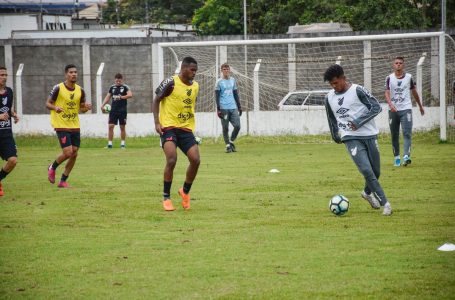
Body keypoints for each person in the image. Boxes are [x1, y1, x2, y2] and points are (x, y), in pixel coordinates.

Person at [324, 64, 392, 216]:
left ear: (343, 78)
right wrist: (336, 135)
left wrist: (358, 121)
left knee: (376, 171)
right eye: (331, 84)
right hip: (350, 137)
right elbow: (331, 118)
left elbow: (376, 107)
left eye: (336, 82)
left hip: (369, 134)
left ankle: (367, 193)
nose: (334, 86)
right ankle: (385, 203)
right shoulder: (328, 97)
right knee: (367, 170)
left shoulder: (358, 90)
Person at [152, 56, 200, 211]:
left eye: (195, 70)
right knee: (172, 159)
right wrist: (157, 122)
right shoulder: (170, 82)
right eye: (192, 70)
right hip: (168, 127)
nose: (194, 73)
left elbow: (192, 104)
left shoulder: (195, 86)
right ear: (183, 68)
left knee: (196, 160)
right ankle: (166, 197)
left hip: (186, 129)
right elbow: (156, 100)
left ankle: (185, 192)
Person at [46, 64, 92, 188]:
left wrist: (86, 108)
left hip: (74, 124)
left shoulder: (80, 90)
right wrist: (55, 107)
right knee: (68, 152)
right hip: (61, 124)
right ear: (66, 74)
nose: (74, 74)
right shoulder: (58, 88)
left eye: (75, 72)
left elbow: (81, 108)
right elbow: (48, 103)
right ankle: (52, 167)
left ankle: (63, 180)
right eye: (71, 72)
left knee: (74, 153)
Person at [385, 56, 425, 167]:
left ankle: (406, 156)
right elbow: (387, 93)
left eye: (400, 63)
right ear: (393, 65)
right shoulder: (389, 78)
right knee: (394, 135)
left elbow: (414, 92)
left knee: (407, 133)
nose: (398, 64)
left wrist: (420, 106)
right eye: (396, 63)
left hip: (406, 109)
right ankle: (397, 157)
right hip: (393, 110)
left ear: (404, 65)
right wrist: (390, 104)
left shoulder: (409, 77)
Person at [0, 67, 19, 197]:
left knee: (13, 160)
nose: (4, 77)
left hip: (6, 134)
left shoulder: (10, 91)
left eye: (6, 74)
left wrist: (13, 114)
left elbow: (7, 108)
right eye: (1, 74)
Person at [215, 63, 242, 153]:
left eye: (227, 69)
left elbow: (235, 94)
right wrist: (218, 109)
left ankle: (231, 141)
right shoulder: (219, 82)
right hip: (224, 108)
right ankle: (227, 146)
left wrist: (239, 106)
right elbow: (217, 96)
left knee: (237, 126)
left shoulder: (233, 80)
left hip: (233, 107)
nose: (226, 71)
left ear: (229, 70)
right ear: (221, 71)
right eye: (224, 69)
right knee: (225, 127)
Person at [101, 73, 133, 149]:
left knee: (122, 127)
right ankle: (109, 144)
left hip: (122, 110)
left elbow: (130, 95)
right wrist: (102, 105)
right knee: (110, 126)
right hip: (113, 110)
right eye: (117, 81)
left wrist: (121, 97)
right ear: (115, 80)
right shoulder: (112, 87)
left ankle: (122, 144)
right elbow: (108, 97)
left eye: (119, 81)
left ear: (122, 80)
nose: (118, 82)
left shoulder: (125, 87)